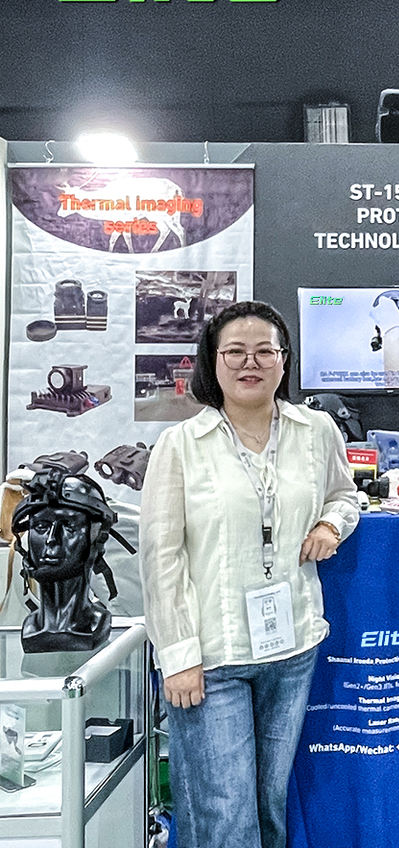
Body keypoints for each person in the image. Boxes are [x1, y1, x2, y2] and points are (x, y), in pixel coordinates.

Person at [139, 300, 359, 848]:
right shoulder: (181, 445)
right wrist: (178, 656)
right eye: (235, 352)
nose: (250, 362)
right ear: (212, 362)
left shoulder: (316, 430)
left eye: (265, 351)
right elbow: (161, 558)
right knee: (224, 814)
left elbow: (344, 494)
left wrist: (331, 524)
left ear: (284, 360)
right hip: (212, 655)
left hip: (293, 646)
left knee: (268, 807)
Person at [11, 467, 122, 652]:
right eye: (41, 526)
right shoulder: (30, 629)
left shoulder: (95, 626)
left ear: (97, 537)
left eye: (69, 527)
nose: (51, 539)